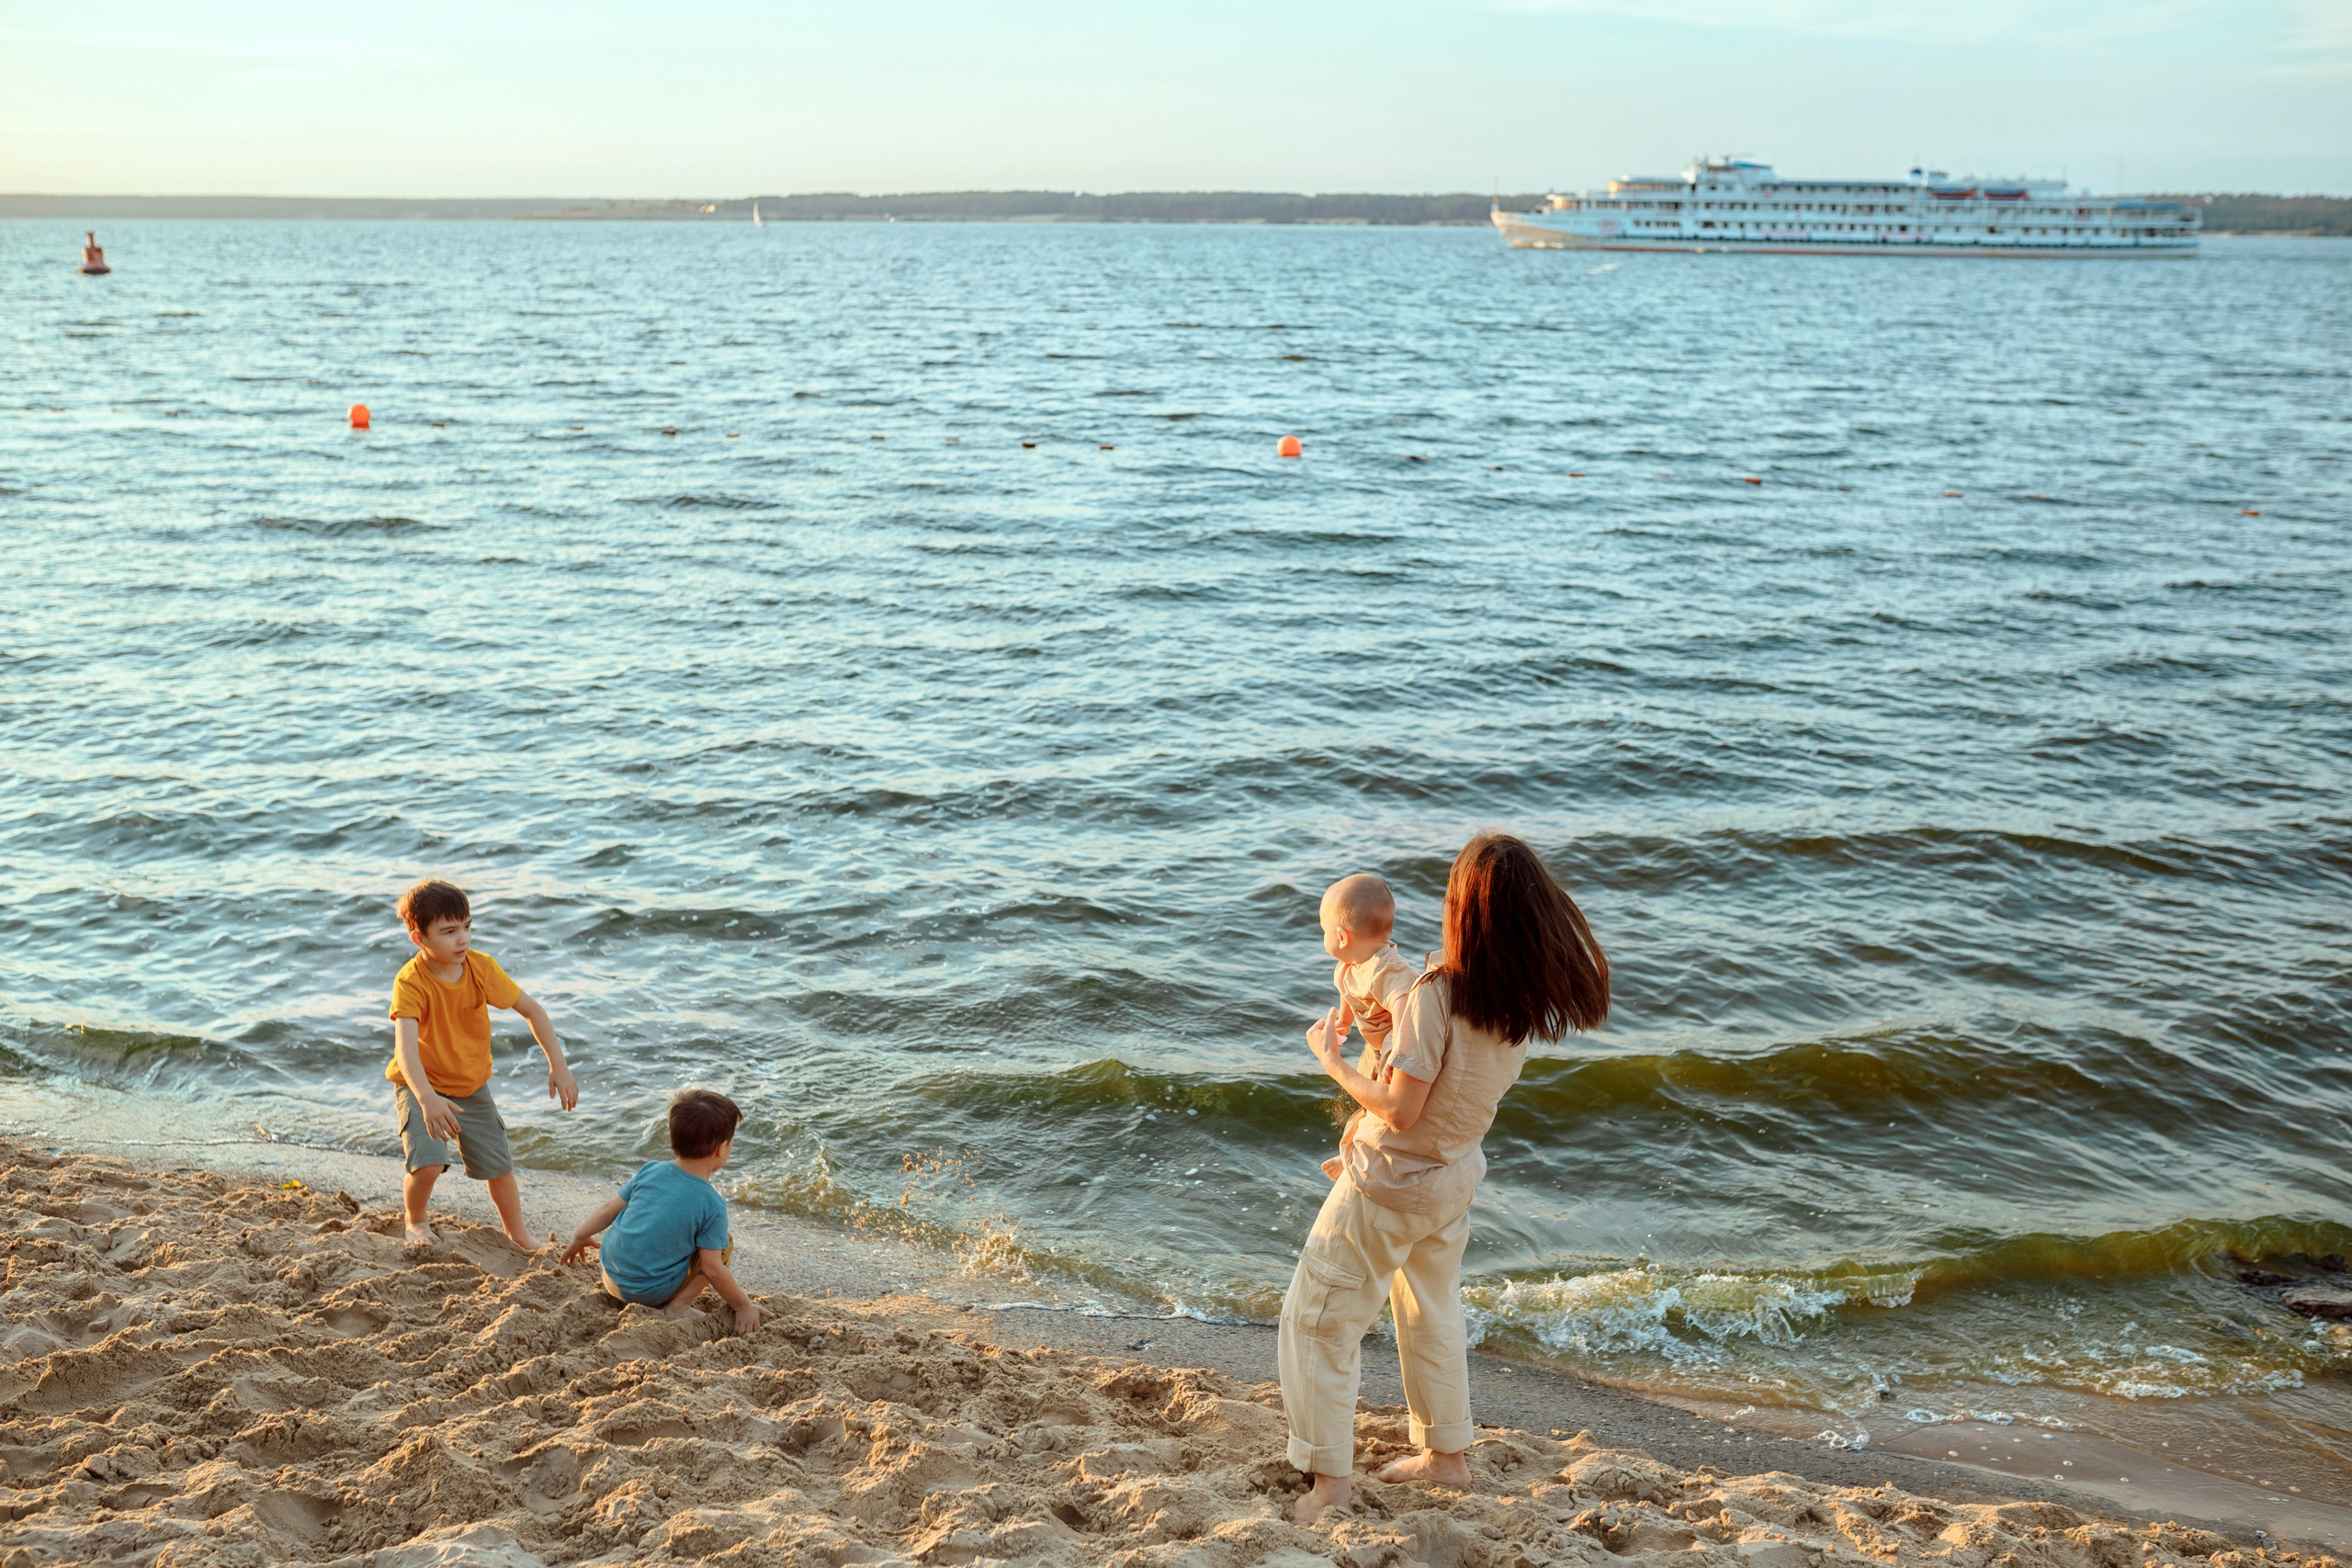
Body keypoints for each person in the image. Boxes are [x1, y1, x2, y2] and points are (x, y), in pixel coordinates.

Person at [1279, 833, 1609, 1524]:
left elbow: (1401, 1109)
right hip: (1454, 1176)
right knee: (1431, 1313)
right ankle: (1446, 1457)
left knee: (1316, 1321)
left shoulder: (1435, 991)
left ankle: (1330, 1489)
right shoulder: (1517, 1001)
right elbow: (1448, 1079)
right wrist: (1382, 1037)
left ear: (1467, 910)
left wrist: (1332, 1060)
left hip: (1391, 1183)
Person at [387, 878, 579, 1248]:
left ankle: (519, 1235)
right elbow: (406, 1051)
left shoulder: (481, 968)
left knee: (499, 1167)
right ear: (419, 938)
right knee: (428, 1162)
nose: (463, 939)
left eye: (467, 927)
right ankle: (416, 1221)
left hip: (471, 1085)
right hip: (421, 1084)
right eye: (448, 931)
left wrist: (559, 1065)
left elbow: (532, 1010)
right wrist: (426, 1099)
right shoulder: (410, 982)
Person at [564, 1089, 769, 1336]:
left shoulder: (650, 1170)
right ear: (721, 1149)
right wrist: (743, 1305)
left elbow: (608, 1209)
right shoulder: (712, 1203)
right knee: (723, 1244)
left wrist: (579, 1236)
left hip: (612, 1277)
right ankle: (678, 1308)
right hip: (649, 1292)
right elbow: (712, 1269)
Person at [1316, 873, 1421, 1181]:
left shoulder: (1387, 969)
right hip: (1372, 1047)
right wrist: (1343, 1025)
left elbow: (1407, 1005)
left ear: (1342, 937)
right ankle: (1354, 1149)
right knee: (1363, 1099)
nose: (1323, 936)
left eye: (1324, 931)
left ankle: (1359, 1155)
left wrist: (1397, 1053)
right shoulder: (1348, 966)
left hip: (1393, 1042)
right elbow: (1348, 993)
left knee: (1380, 1108)